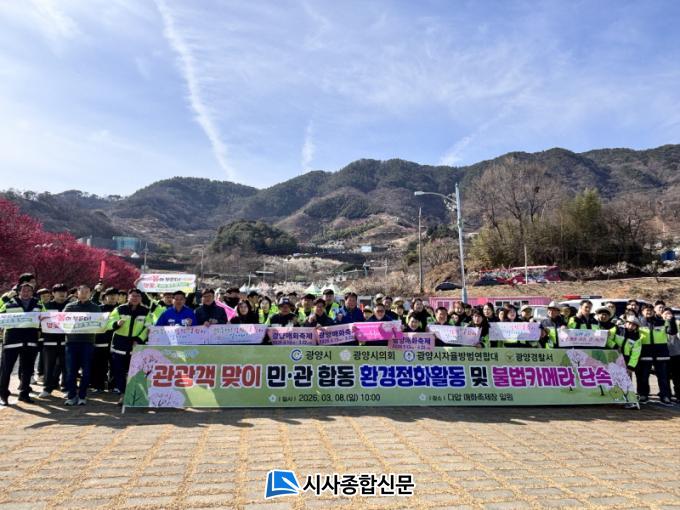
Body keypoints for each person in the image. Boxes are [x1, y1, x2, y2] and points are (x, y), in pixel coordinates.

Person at [0, 283, 44, 405]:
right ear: (19, 292)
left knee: (27, 370)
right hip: (11, 342)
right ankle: (3, 395)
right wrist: (5, 299)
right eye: (23, 290)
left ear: (32, 292)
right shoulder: (9, 303)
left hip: (30, 341)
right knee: (6, 370)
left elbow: (45, 320)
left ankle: (24, 394)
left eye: (29, 290)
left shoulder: (39, 304)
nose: (26, 292)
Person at [108, 289, 149, 403]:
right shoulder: (119, 309)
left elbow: (148, 327)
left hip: (136, 345)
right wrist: (116, 324)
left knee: (136, 371)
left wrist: (139, 339)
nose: (135, 298)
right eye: (133, 296)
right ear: (128, 297)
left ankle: (135, 394)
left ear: (141, 298)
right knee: (119, 371)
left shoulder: (146, 311)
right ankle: (123, 394)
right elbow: (109, 323)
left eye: (137, 296)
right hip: (119, 345)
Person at [63, 284, 101, 406]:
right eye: (82, 291)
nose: (84, 294)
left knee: (86, 371)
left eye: (87, 292)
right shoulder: (69, 306)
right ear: (77, 293)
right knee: (71, 371)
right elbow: (62, 321)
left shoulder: (95, 308)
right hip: (71, 342)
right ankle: (71, 395)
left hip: (88, 342)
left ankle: (82, 395)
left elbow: (100, 322)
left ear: (90, 293)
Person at [637, 304, 674, 405]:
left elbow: (672, 332)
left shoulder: (662, 322)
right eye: (646, 310)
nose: (648, 312)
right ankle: (643, 395)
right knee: (644, 376)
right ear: (642, 312)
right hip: (645, 353)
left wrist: (671, 321)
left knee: (663, 376)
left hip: (661, 353)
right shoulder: (639, 323)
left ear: (653, 311)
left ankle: (665, 396)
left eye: (650, 310)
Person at [39, 283, 69, 398]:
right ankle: (47, 388)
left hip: (66, 341)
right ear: (53, 293)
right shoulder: (46, 306)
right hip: (49, 341)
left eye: (64, 292)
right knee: (48, 366)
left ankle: (66, 387)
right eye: (59, 292)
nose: (62, 294)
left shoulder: (71, 306)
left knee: (66, 366)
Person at [90, 287, 118, 393]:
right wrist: (97, 291)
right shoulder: (99, 308)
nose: (112, 297)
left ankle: (113, 386)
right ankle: (98, 386)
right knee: (100, 365)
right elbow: (92, 304)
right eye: (110, 295)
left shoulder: (121, 309)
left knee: (114, 366)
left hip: (116, 342)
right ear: (105, 297)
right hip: (101, 341)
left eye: (115, 295)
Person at [665, 308, 680, 402]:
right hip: (664, 354)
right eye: (665, 313)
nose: (668, 315)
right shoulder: (660, 324)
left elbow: (674, 332)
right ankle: (667, 394)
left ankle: (678, 395)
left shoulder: (677, 323)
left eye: (669, 313)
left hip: (676, 353)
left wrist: (672, 321)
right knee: (665, 377)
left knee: (677, 377)